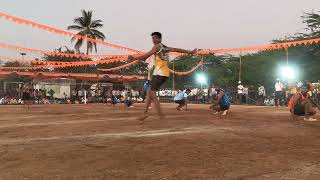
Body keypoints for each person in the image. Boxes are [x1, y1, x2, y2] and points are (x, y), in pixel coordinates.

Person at [128, 32, 197, 121]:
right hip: (163, 73)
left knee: (152, 93)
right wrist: (190, 52)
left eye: (155, 38)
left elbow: (147, 55)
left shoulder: (157, 46)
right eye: (153, 38)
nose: (153, 40)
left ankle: (160, 115)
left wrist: (134, 58)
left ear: (160, 39)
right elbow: (176, 49)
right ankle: (144, 114)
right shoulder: (164, 47)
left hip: (159, 73)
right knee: (149, 92)